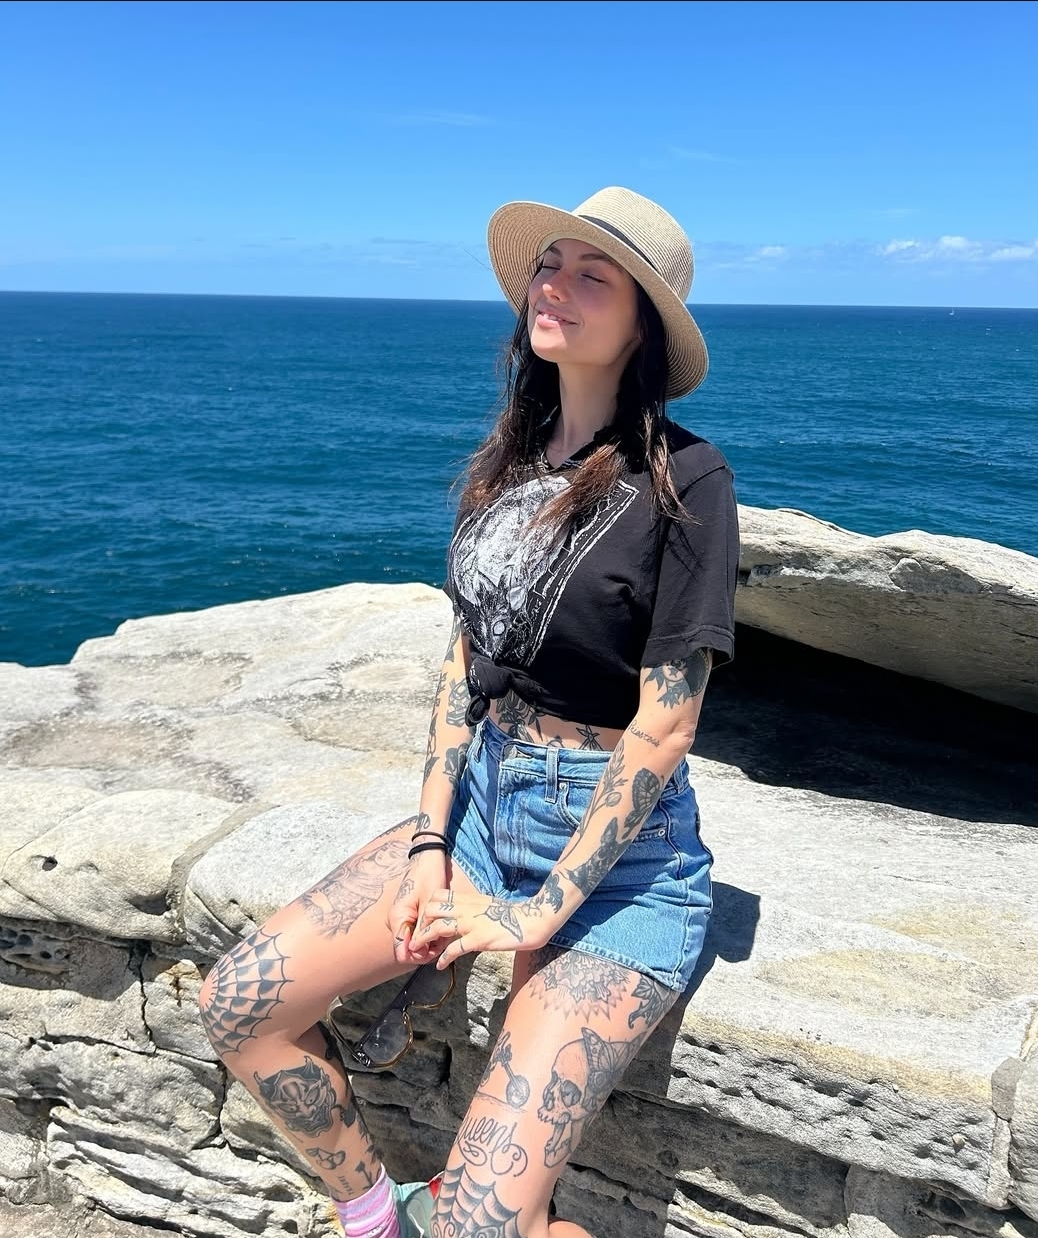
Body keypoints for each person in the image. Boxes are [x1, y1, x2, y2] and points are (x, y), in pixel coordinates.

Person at [198, 186, 739, 1238]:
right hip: (483, 815)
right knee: (240, 1004)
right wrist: (429, 846)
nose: (554, 287)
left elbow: (666, 724)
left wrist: (538, 914)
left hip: (620, 868)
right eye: (548, 265)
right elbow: (463, 663)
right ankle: (378, 1219)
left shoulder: (688, 480)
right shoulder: (511, 458)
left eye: (592, 275)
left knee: (487, 1223)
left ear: (642, 325)